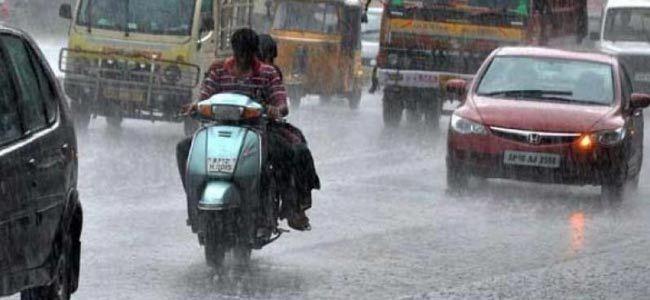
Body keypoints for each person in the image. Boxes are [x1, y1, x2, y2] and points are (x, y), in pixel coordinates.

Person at [176, 28, 318, 231]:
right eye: (239, 53)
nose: (242, 59)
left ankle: (289, 207)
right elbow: (204, 96)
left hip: (258, 131)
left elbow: (280, 102)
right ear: (233, 51)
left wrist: (276, 109)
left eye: (247, 54)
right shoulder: (218, 70)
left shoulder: (268, 74)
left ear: (254, 53)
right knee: (183, 149)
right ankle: (194, 200)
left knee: (285, 153)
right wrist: (195, 106)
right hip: (219, 130)